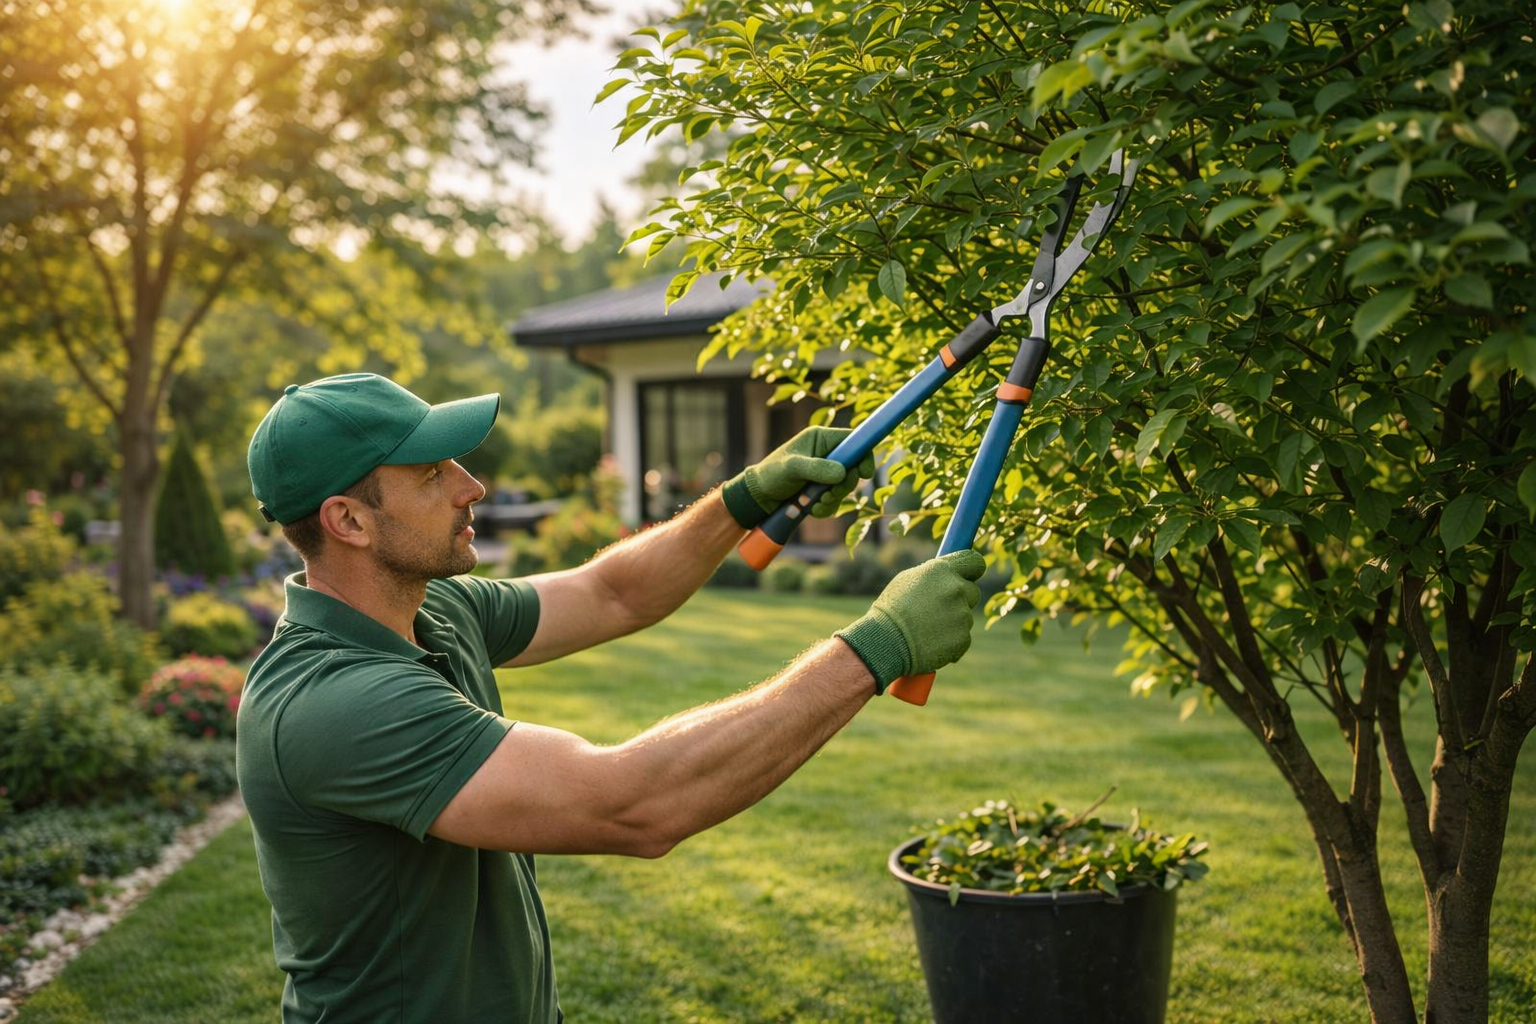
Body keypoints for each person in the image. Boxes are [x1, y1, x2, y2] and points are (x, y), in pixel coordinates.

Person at [237, 372, 986, 1024]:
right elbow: (631, 802)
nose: (473, 486)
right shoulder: (333, 702)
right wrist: (875, 647)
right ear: (348, 520)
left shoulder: (434, 611)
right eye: (432, 474)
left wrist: (744, 497)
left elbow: (611, 591)